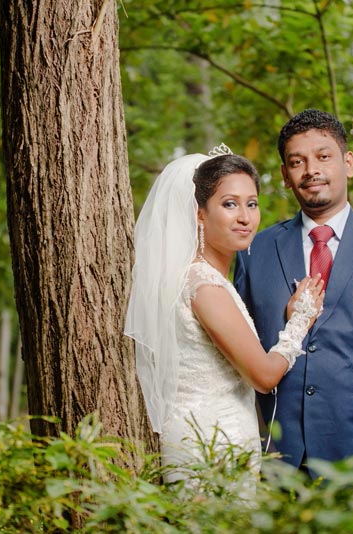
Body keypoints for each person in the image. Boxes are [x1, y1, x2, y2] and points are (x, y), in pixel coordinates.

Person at [234, 109, 353, 473]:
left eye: (323, 156)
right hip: (276, 458)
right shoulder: (253, 252)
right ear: (286, 176)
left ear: (348, 163)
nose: (311, 169)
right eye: (297, 161)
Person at [124, 146, 324, 488]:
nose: (245, 217)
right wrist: (300, 320)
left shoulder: (202, 279)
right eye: (229, 204)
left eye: (252, 203)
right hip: (211, 443)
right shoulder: (204, 287)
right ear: (199, 213)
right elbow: (262, 376)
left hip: (217, 434)